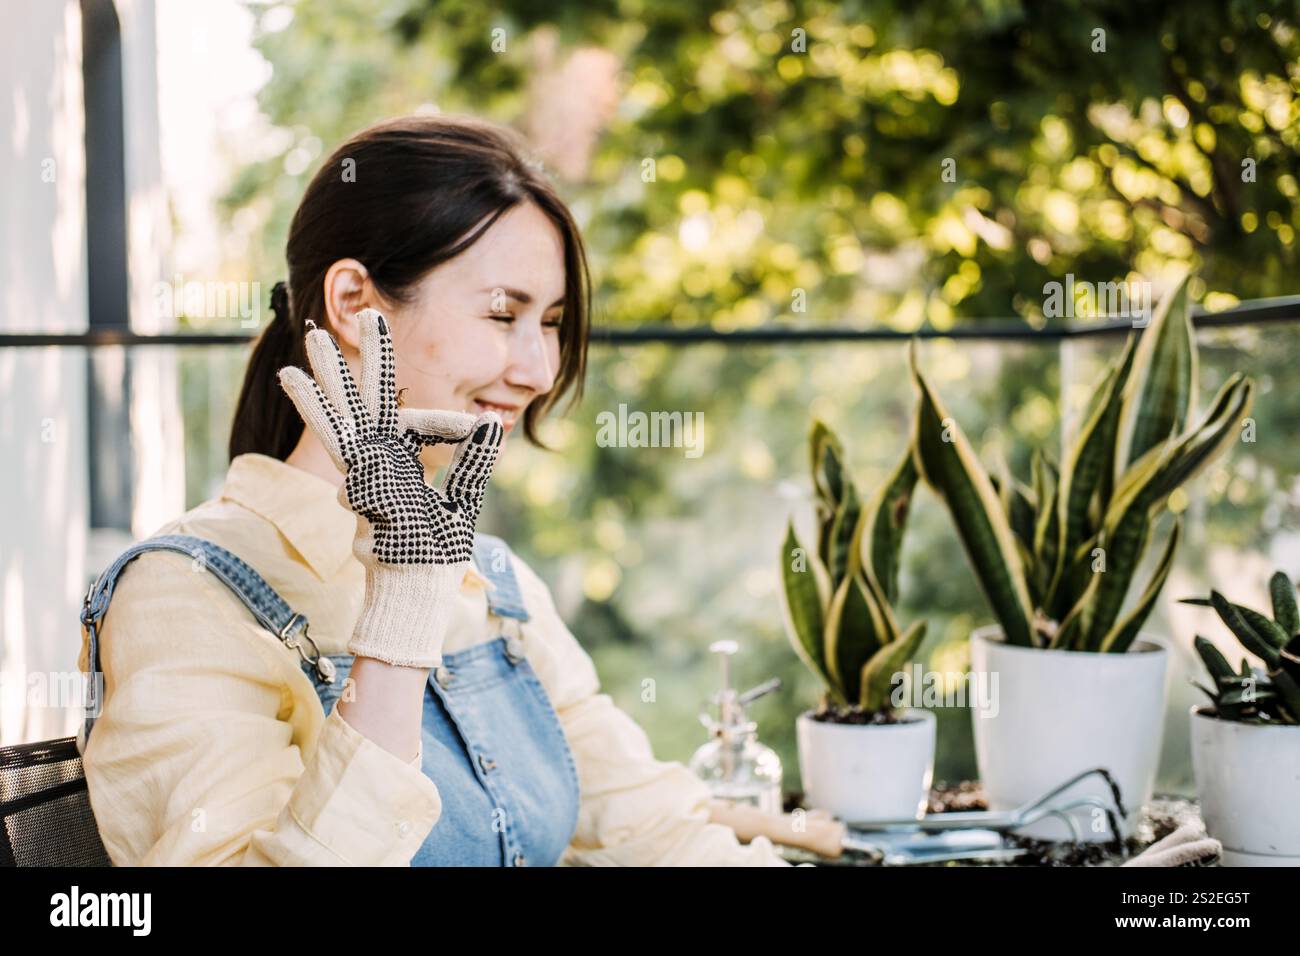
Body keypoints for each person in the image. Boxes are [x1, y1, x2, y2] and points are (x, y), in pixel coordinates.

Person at [79, 113, 790, 867]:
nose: (540, 370)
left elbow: (659, 833)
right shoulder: (182, 595)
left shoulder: (495, 584)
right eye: (501, 312)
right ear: (354, 301)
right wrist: (402, 613)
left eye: (549, 322)